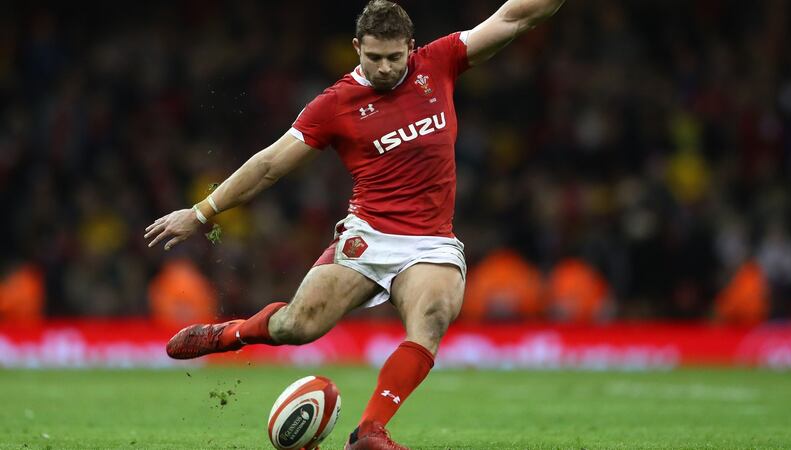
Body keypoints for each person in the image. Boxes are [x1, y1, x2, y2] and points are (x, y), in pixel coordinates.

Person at [144, 1, 564, 448]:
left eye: (394, 58)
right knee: (297, 327)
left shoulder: (439, 62)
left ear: (412, 48)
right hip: (369, 236)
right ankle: (230, 334)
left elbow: (515, 18)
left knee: (434, 316)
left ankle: (370, 431)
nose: (384, 68)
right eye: (373, 57)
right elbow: (269, 165)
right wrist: (201, 212)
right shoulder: (335, 104)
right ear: (356, 48)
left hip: (430, 242)